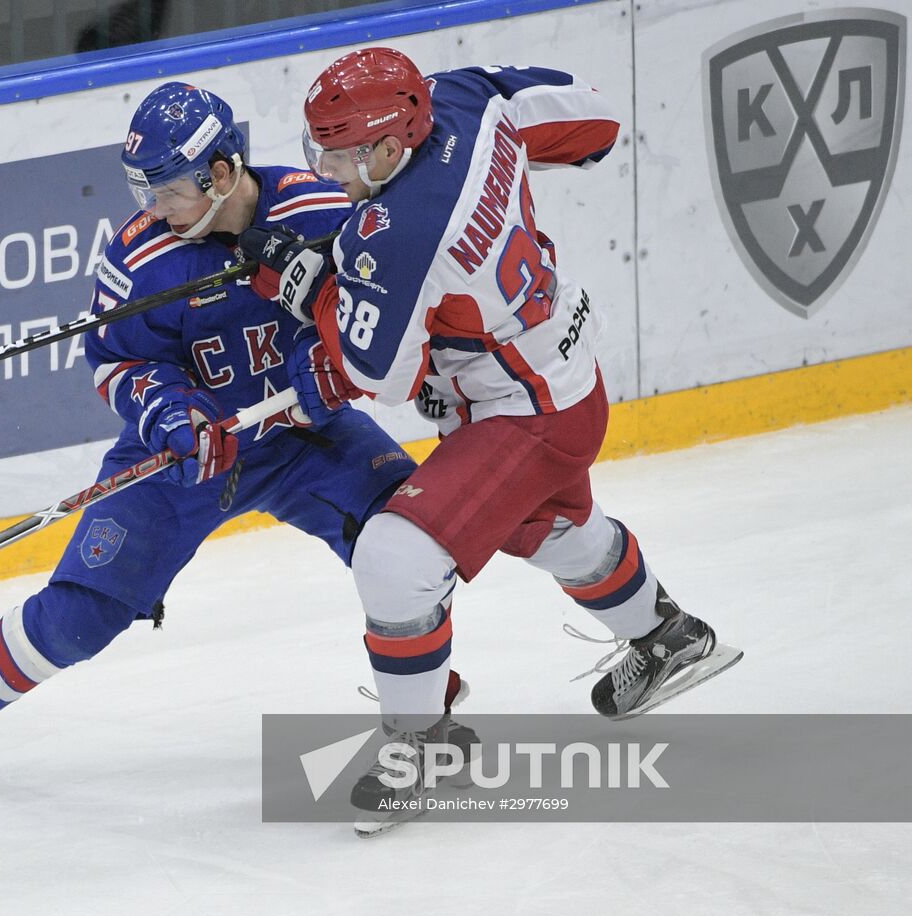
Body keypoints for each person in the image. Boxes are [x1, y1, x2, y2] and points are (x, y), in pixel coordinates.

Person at [0, 81, 446, 803]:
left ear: (222, 175)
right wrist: (173, 414)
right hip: (183, 461)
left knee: (411, 542)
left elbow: (394, 297)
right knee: (77, 619)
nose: (151, 209)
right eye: (142, 189)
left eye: (166, 191)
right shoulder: (140, 258)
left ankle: (421, 719)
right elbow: (116, 362)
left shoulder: (321, 207)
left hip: (303, 438)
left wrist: (340, 359)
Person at [237, 49, 742, 830]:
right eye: (320, 149)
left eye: (340, 152)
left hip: (524, 410)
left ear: (390, 145)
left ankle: (424, 744)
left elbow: (379, 373)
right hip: (561, 369)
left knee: (395, 557)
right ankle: (669, 637)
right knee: (548, 530)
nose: (328, 168)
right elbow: (594, 117)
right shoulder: (464, 97)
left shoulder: (395, 232)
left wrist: (314, 288)